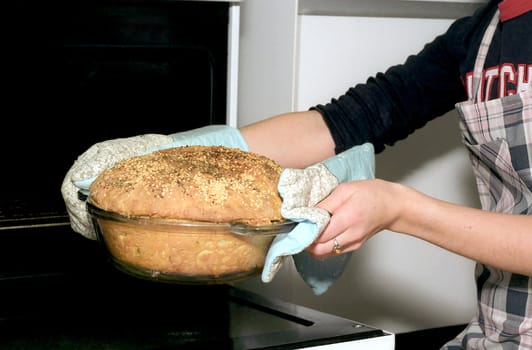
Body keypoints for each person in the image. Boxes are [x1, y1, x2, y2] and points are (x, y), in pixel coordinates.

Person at [62, 0, 531, 348]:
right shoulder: (479, 35)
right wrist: (172, 150)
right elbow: (344, 123)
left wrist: (400, 208)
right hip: (499, 330)